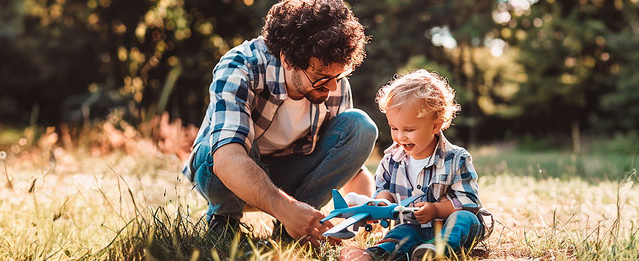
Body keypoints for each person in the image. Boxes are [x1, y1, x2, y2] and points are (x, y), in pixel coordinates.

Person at [181, 0, 378, 245]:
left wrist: (369, 207)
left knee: (361, 127)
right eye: (321, 78)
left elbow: (348, 164)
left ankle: (296, 228)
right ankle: (225, 220)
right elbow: (227, 158)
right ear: (288, 60)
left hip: (286, 176)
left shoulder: (332, 81)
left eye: (339, 76)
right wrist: (286, 208)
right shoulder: (240, 66)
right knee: (228, 143)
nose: (333, 86)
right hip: (226, 175)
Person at [340, 69, 491, 260]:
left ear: (435, 125)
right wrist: (382, 202)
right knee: (401, 234)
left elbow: (467, 203)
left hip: (449, 225)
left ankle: (439, 249)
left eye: (409, 129)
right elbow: (383, 189)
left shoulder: (456, 159)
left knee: (465, 220)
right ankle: (375, 254)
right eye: (394, 128)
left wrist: (435, 210)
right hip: (414, 227)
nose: (400, 136)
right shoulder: (391, 159)